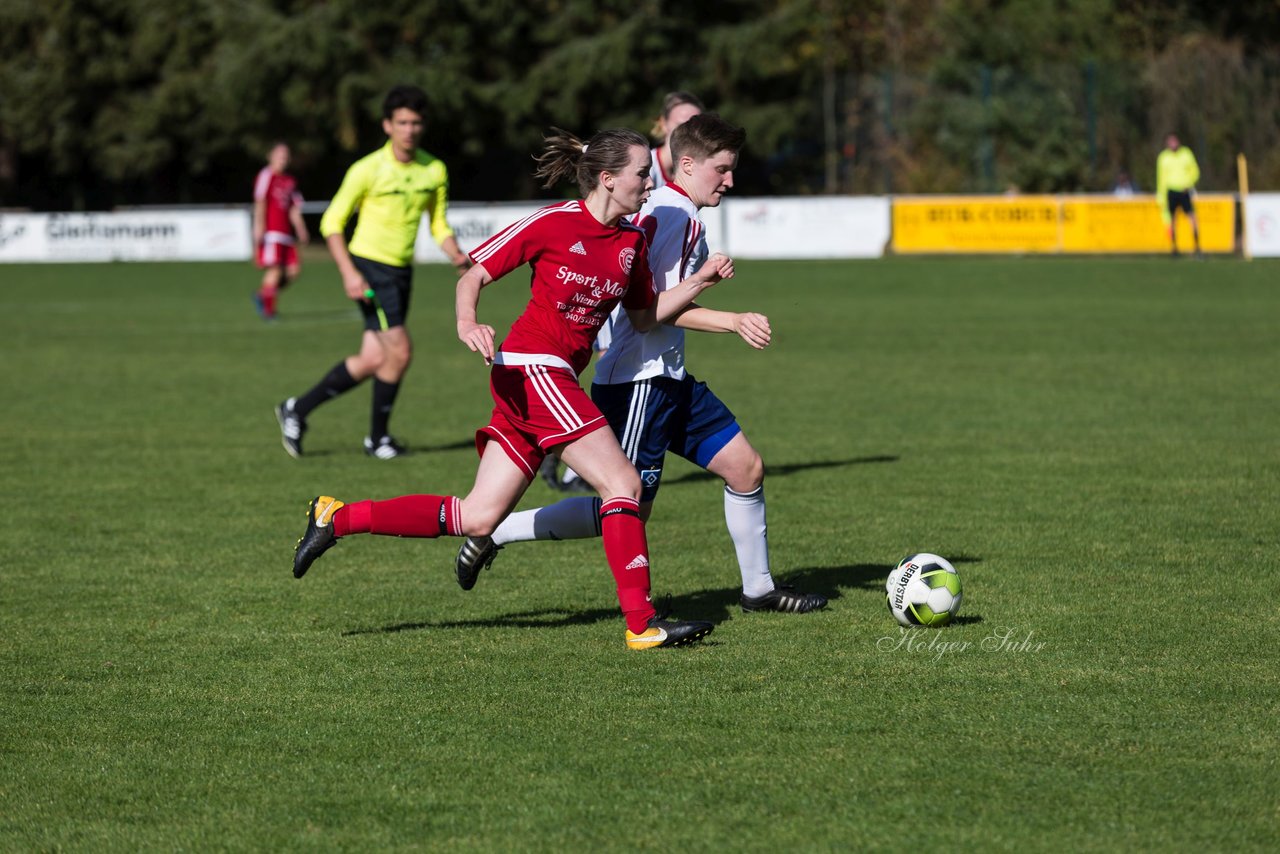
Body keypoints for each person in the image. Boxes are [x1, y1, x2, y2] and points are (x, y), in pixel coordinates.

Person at [293, 127, 734, 650]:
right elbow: (471, 277)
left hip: (550, 379)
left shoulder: (631, 242)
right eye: (642, 173)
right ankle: (641, 625)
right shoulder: (553, 222)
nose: (648, 182)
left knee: (477, 514)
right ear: (609, 179)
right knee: (625, 487)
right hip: (531, 369)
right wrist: (467, 323)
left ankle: (336, 517)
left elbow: (642, 317)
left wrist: (699, 281)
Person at [454, 114, 827, 616]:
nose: (730, 180)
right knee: (627, 505)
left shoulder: (677, 211)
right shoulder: (671, 216)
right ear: (689, 164)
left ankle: (758, 589)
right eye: (722, 169)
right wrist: (731, 318)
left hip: (670, 378)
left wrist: (728, 318)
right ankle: (498, 530)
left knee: (745, 467)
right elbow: (652, 314)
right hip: (638, 384)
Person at [275, 85, 471, 460]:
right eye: (402, 122)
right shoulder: (366, 169)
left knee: (371, 359)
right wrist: (350, 273)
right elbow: (332, 223)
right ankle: (377, 439)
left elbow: (439, 224)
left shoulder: (434, 169)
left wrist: (456, 255)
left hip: (401, 272)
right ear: (387, 125)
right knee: (399, 350)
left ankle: (296, 410)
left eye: (416, 122)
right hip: (369, 266)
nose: (410, 129)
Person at [252, 142, 309, 321]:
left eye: (286, 156)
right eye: (279, 155)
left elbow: (294, 208)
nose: (283, 159)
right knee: (275, 270)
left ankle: (263, 295)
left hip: (286, 234)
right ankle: (269, 311)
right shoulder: (266, 176)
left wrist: (301, 229)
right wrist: (258, 227)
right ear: (271, 156)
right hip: (272, 232)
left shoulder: (289, 181)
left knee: (293, 271)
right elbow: (260, 202)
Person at [1155, 133, 1201, 257]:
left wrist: (1189, 183)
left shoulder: (1186, 153)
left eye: (1175, 141)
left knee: (1192, 218)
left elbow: (1195, 171)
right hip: (1171, 192)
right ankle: (1174, 248)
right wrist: (1161, 195)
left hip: (1184, 191)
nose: (1173, 144)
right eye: (1170, 141)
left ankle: (1197, 247)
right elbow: (1161, 178)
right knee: (1172, 220)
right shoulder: (1163, 157)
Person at [649, 91, 704, 190]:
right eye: (681, 126)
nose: (690, 134)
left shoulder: (697, 174)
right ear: (663, 124)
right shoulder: (647, 168)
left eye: (696, 127)